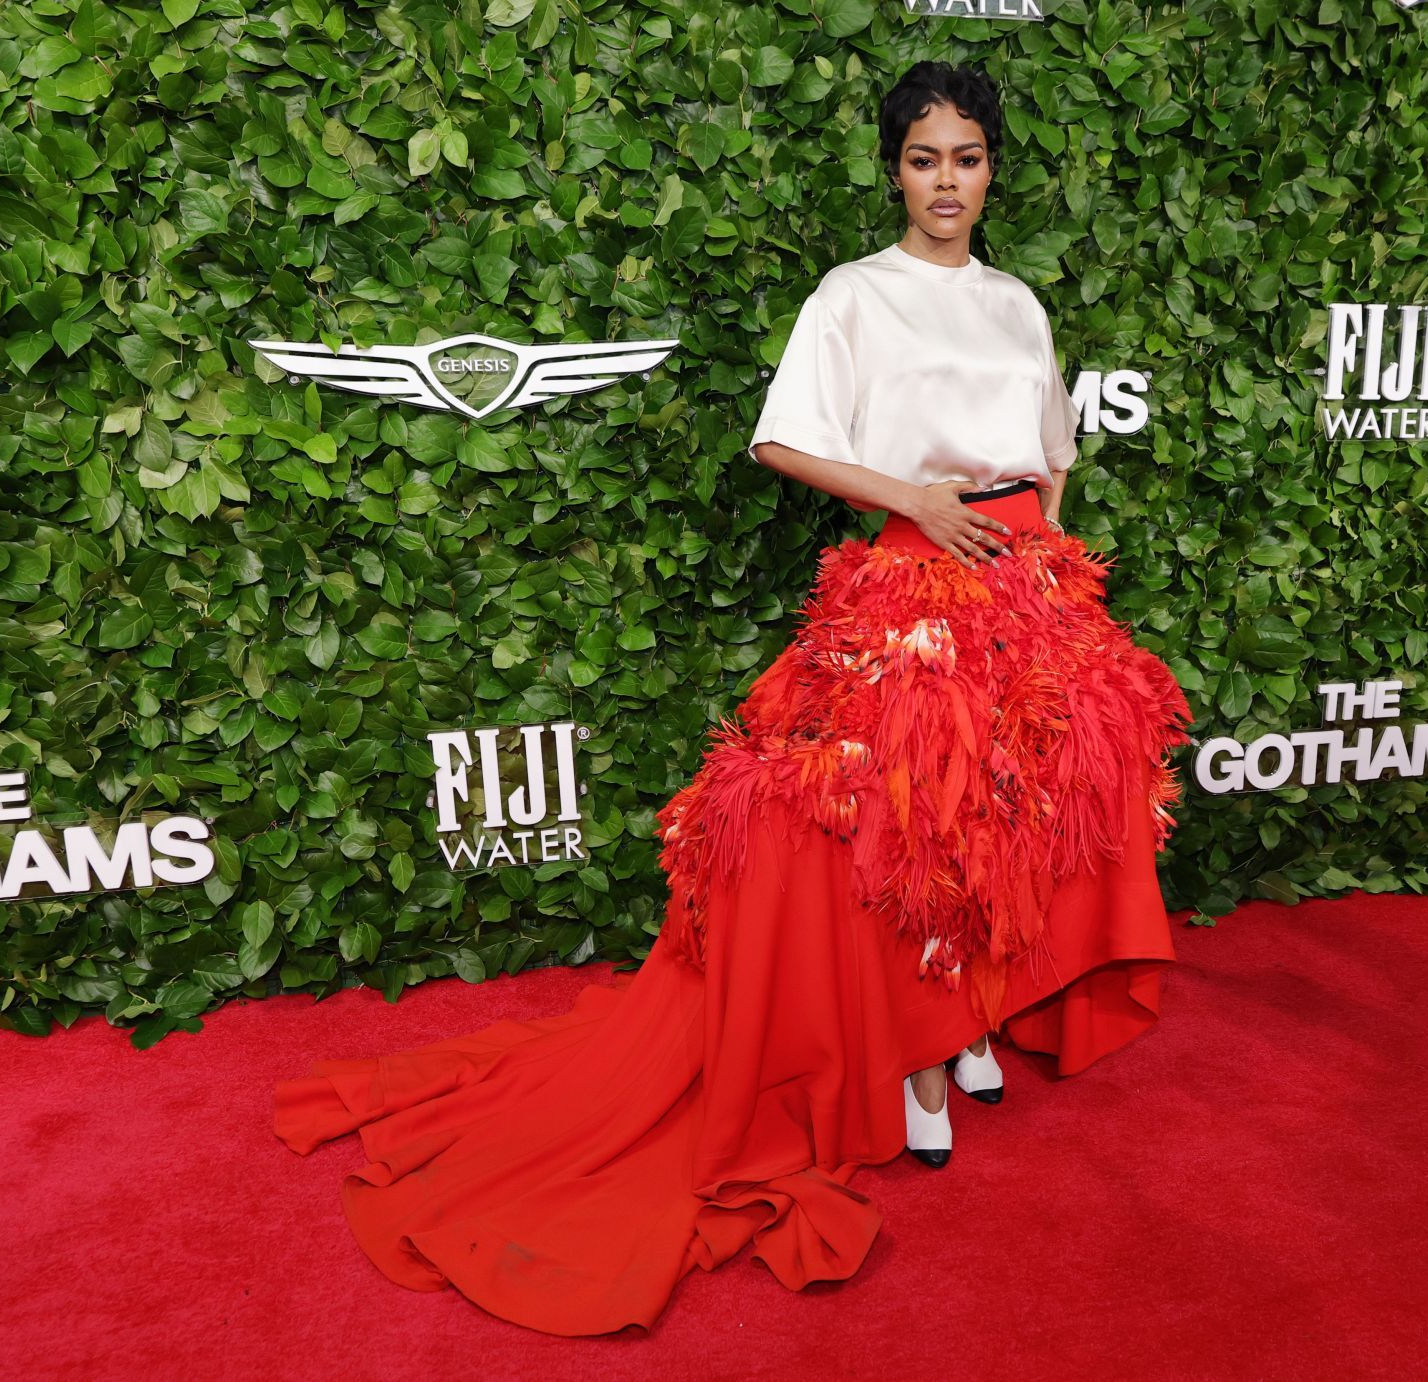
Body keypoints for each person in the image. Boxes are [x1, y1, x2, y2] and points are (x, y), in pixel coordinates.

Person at [273, 60, 1194, 1337]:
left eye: (968, 158)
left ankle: (981, 1010)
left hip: (1028, 586)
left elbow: (1051, 458)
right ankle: (919, 1062)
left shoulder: (1018, 302)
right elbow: (778, 439)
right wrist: (906, 499)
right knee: (907, 831)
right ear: (894, 169)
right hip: (912, 581)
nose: (946, 181)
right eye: (925, 158)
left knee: (1014, 810)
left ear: (993, 169)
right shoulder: (853, 296)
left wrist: (1056, 580)